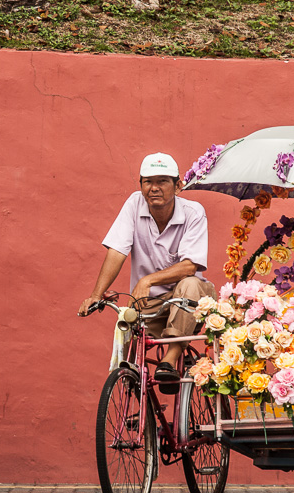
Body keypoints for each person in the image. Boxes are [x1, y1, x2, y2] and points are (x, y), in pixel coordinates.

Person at [78, 152, 217, 385]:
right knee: (127, 354)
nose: (154, 188)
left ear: (178, 186)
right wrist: (95, 295)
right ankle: (136, 405)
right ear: (141, 185)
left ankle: (169, 361)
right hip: (149, 302)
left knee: (190, 283)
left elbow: (190, 266)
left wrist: (147, 280)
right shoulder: (134, 204)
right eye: (148, 181)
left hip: (190, 301)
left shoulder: (194, 212)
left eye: (162, 181)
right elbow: (117, 251)